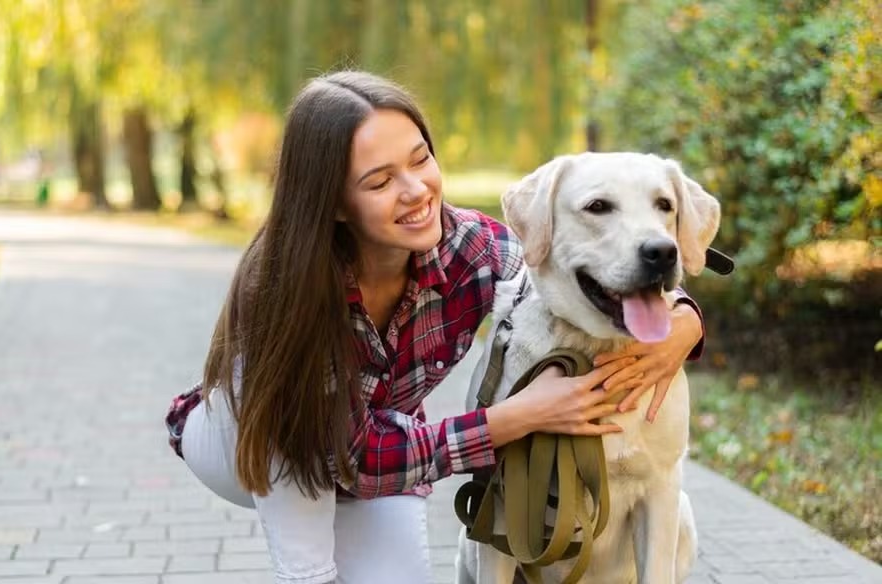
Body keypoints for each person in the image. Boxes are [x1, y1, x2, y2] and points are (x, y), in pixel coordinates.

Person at [164, 71, 706, 584]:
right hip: (254, 443)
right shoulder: (285, 282)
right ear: (333, 204)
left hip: (381, 453)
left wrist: (683, 318)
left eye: (420, 159)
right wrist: (511, 419)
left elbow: (556, 269)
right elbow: (347, 453)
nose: (416, 190)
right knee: (299, 444)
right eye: (379, 181)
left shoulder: (468, 248)